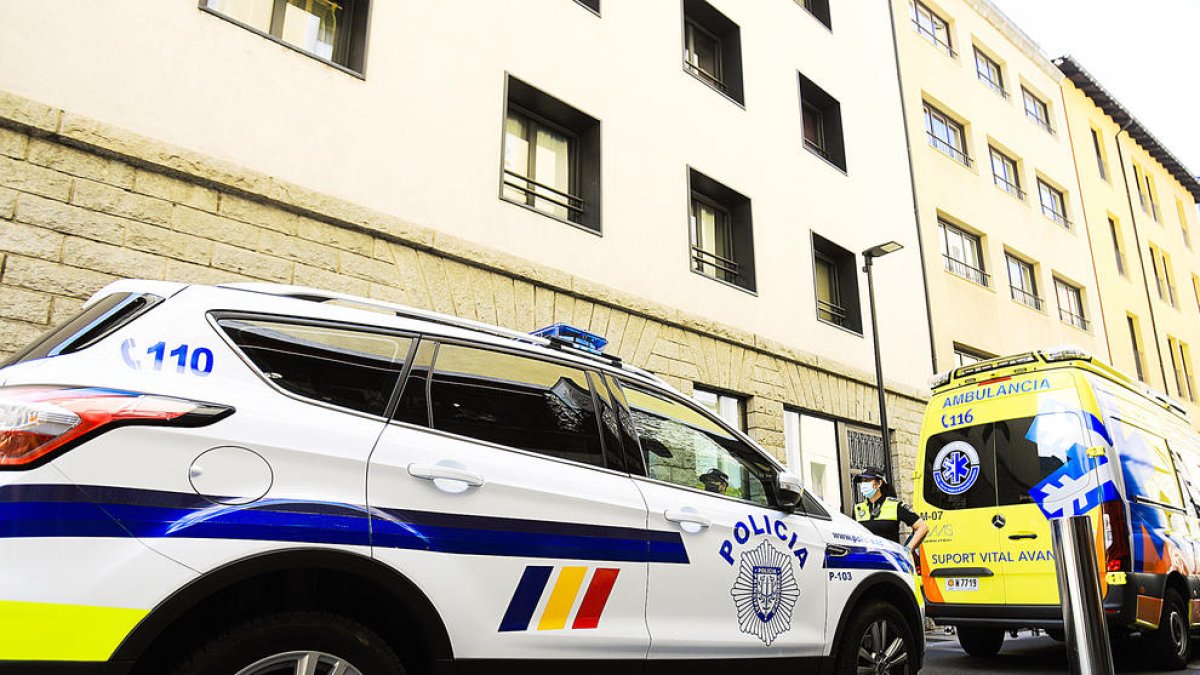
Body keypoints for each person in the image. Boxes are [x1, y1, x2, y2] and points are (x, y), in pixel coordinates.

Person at [853, 467, 928, 553]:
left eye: (867, 480)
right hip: (867, 560)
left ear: (879, 483)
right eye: (862, 480)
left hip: (890, 560)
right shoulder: (858, 509)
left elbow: (922, 527)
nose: (863, 484)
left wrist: (907, 550)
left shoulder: (895, 505)